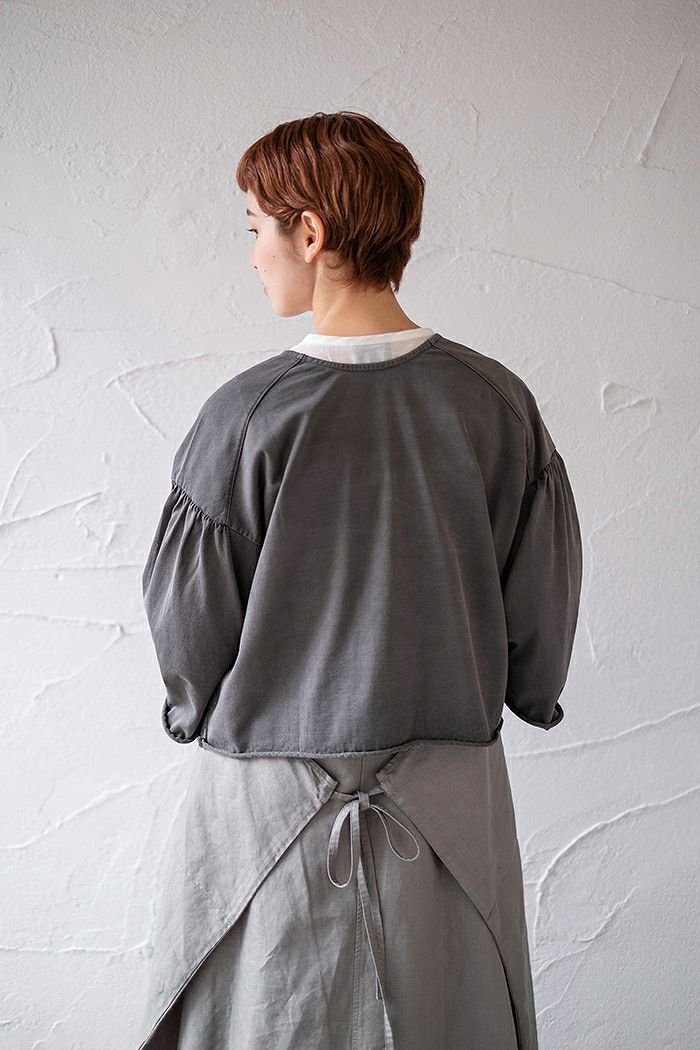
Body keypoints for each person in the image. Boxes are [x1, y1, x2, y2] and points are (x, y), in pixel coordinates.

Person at [136, 111, 583, 1050]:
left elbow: (191, 636)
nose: (253, 254)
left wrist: (198, 707)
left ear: (310, 232)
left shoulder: (246, 415)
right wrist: (523, 691)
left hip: (270, 816)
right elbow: (537, 612)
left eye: (256, 227)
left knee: (272, 1018)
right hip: (450, 812)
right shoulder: (495, 403)